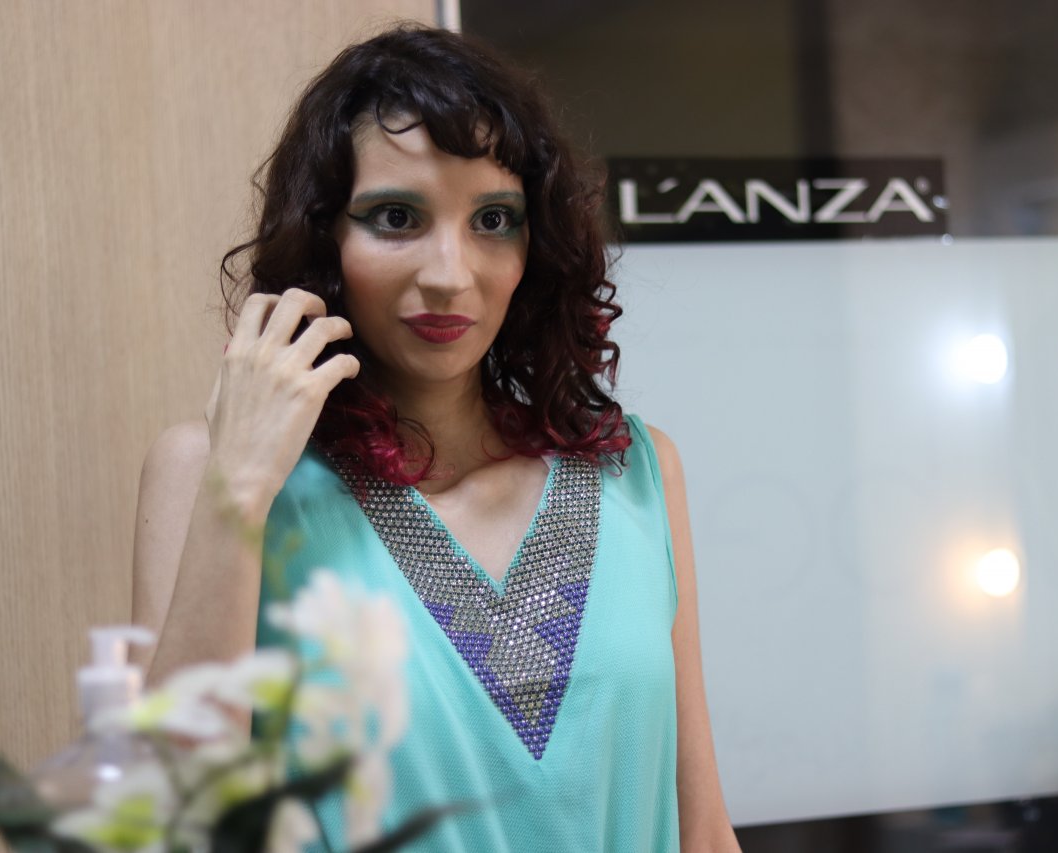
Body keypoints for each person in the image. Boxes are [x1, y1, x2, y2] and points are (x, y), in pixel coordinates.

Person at [131, 23, 740, 853]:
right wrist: (236, 491)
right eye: (396, 216)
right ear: (325, 237)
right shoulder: (210, 472)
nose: (451, 273)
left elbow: (703, 830)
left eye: (494, 218)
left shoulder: (638, 470)